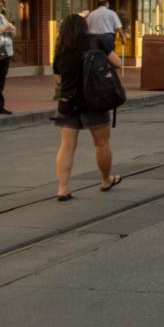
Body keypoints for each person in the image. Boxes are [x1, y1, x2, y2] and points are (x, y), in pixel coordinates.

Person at [51, 13, 123, 200]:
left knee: (66, 146)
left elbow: (58, 79)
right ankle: (106, 179)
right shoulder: (95, 41)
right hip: (94, 101)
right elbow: (118, 63)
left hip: (67, 103)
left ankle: (63, 188)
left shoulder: (60, 49)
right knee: (101, 143)